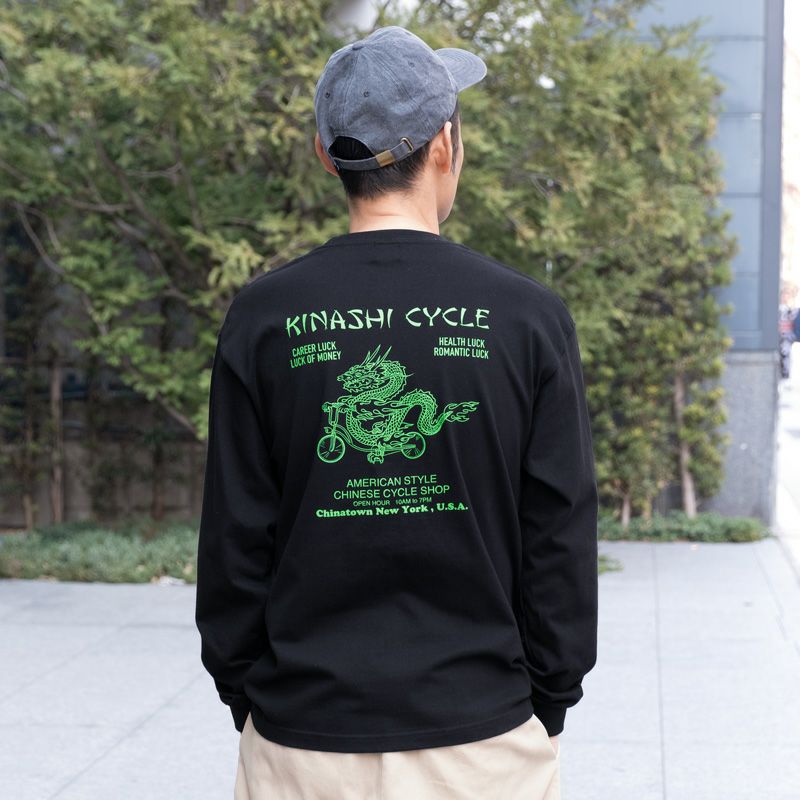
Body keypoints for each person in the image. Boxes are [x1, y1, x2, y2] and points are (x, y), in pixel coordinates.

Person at [194, 24, 599, 800]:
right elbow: (559, 533)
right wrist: (549, 698)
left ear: (326, 154)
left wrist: (251, 697)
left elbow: (235, 537)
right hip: (482, 739)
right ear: (446, 143)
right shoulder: (527, 317)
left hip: (302, 737)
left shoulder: (265, 316)